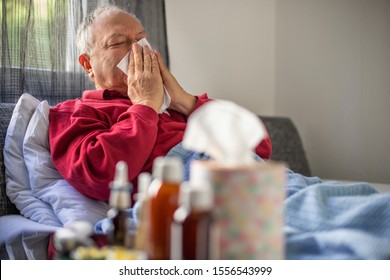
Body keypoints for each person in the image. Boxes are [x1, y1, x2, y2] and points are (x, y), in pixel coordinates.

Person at [48, 4, 272, 202]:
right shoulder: (76, 112)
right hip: (191, 189)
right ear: (88, 64)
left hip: (249, 175)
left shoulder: (172, 105)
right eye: (118, 42)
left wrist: (186, 102)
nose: (136, 49)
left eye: (140, 39)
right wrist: (145, 105)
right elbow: (99, 175)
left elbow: (260, 146)